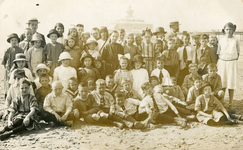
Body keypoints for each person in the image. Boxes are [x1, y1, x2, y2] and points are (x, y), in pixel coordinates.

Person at [217, 22, 240, 109]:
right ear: (224, 30)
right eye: (227, 29)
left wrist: (232, 60)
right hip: (223, 63)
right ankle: (222, 101)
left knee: (231, 83)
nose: (228, 31)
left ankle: (230, 102)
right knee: (223, 83)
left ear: (233, 30)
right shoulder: (221, 40)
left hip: (232, 63)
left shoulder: (236, 40)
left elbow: (238, 52)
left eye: (230, 29)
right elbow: (218, 52)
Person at [2, 33, 24, 98]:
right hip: (8, 69)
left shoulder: (20, 50)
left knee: (17, 83)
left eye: (15, 40)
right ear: (10, 41)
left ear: (17, 41)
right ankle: (8, 97)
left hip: (17, 69)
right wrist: (7, 70)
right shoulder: (7, 50)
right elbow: (4, 61)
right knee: (8, 83)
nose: (14, 42)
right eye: (12, 40)